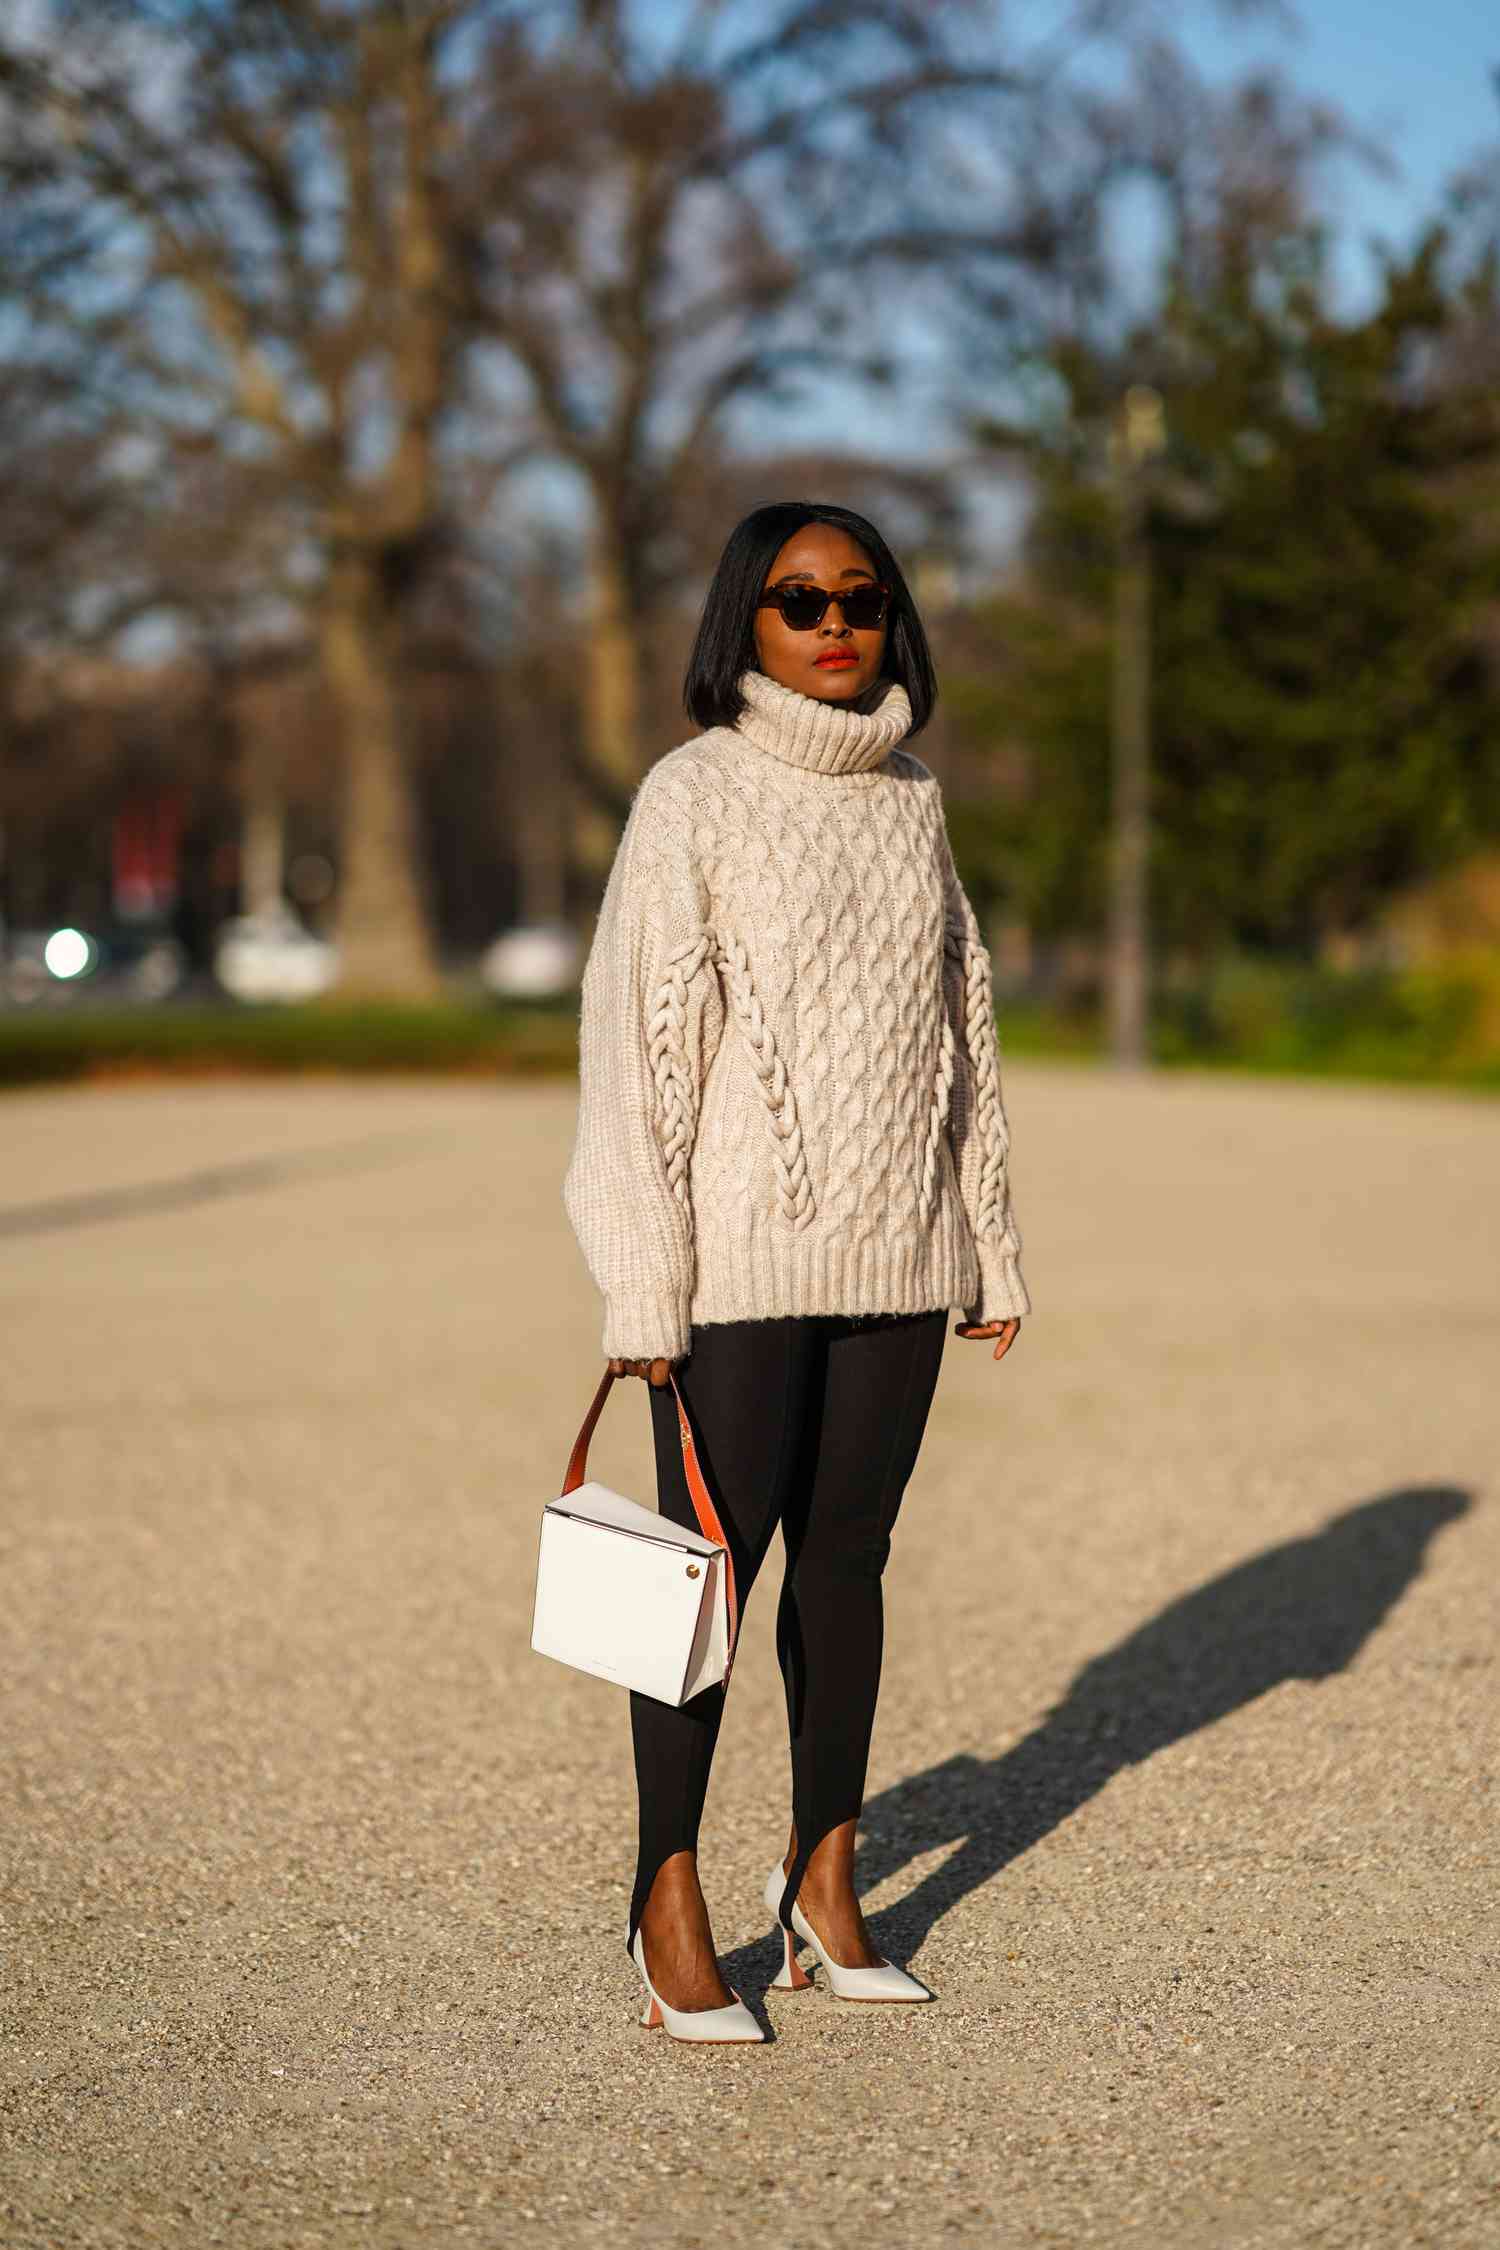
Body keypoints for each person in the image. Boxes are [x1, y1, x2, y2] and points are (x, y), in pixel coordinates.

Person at [562, 500, 1028, 2043]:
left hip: (897, 1257)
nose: (837, 623)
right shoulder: (689, 797)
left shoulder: (915, 804)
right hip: (732, 1272)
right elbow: (633, 1053)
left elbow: (965, 1032)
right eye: (798, 598)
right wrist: (640, 1284)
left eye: (864, 598)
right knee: (701, 1578)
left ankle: (825, 1878)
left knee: (851, 1566)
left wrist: (989, 1239)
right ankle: (666, 1888)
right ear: (739, 622)